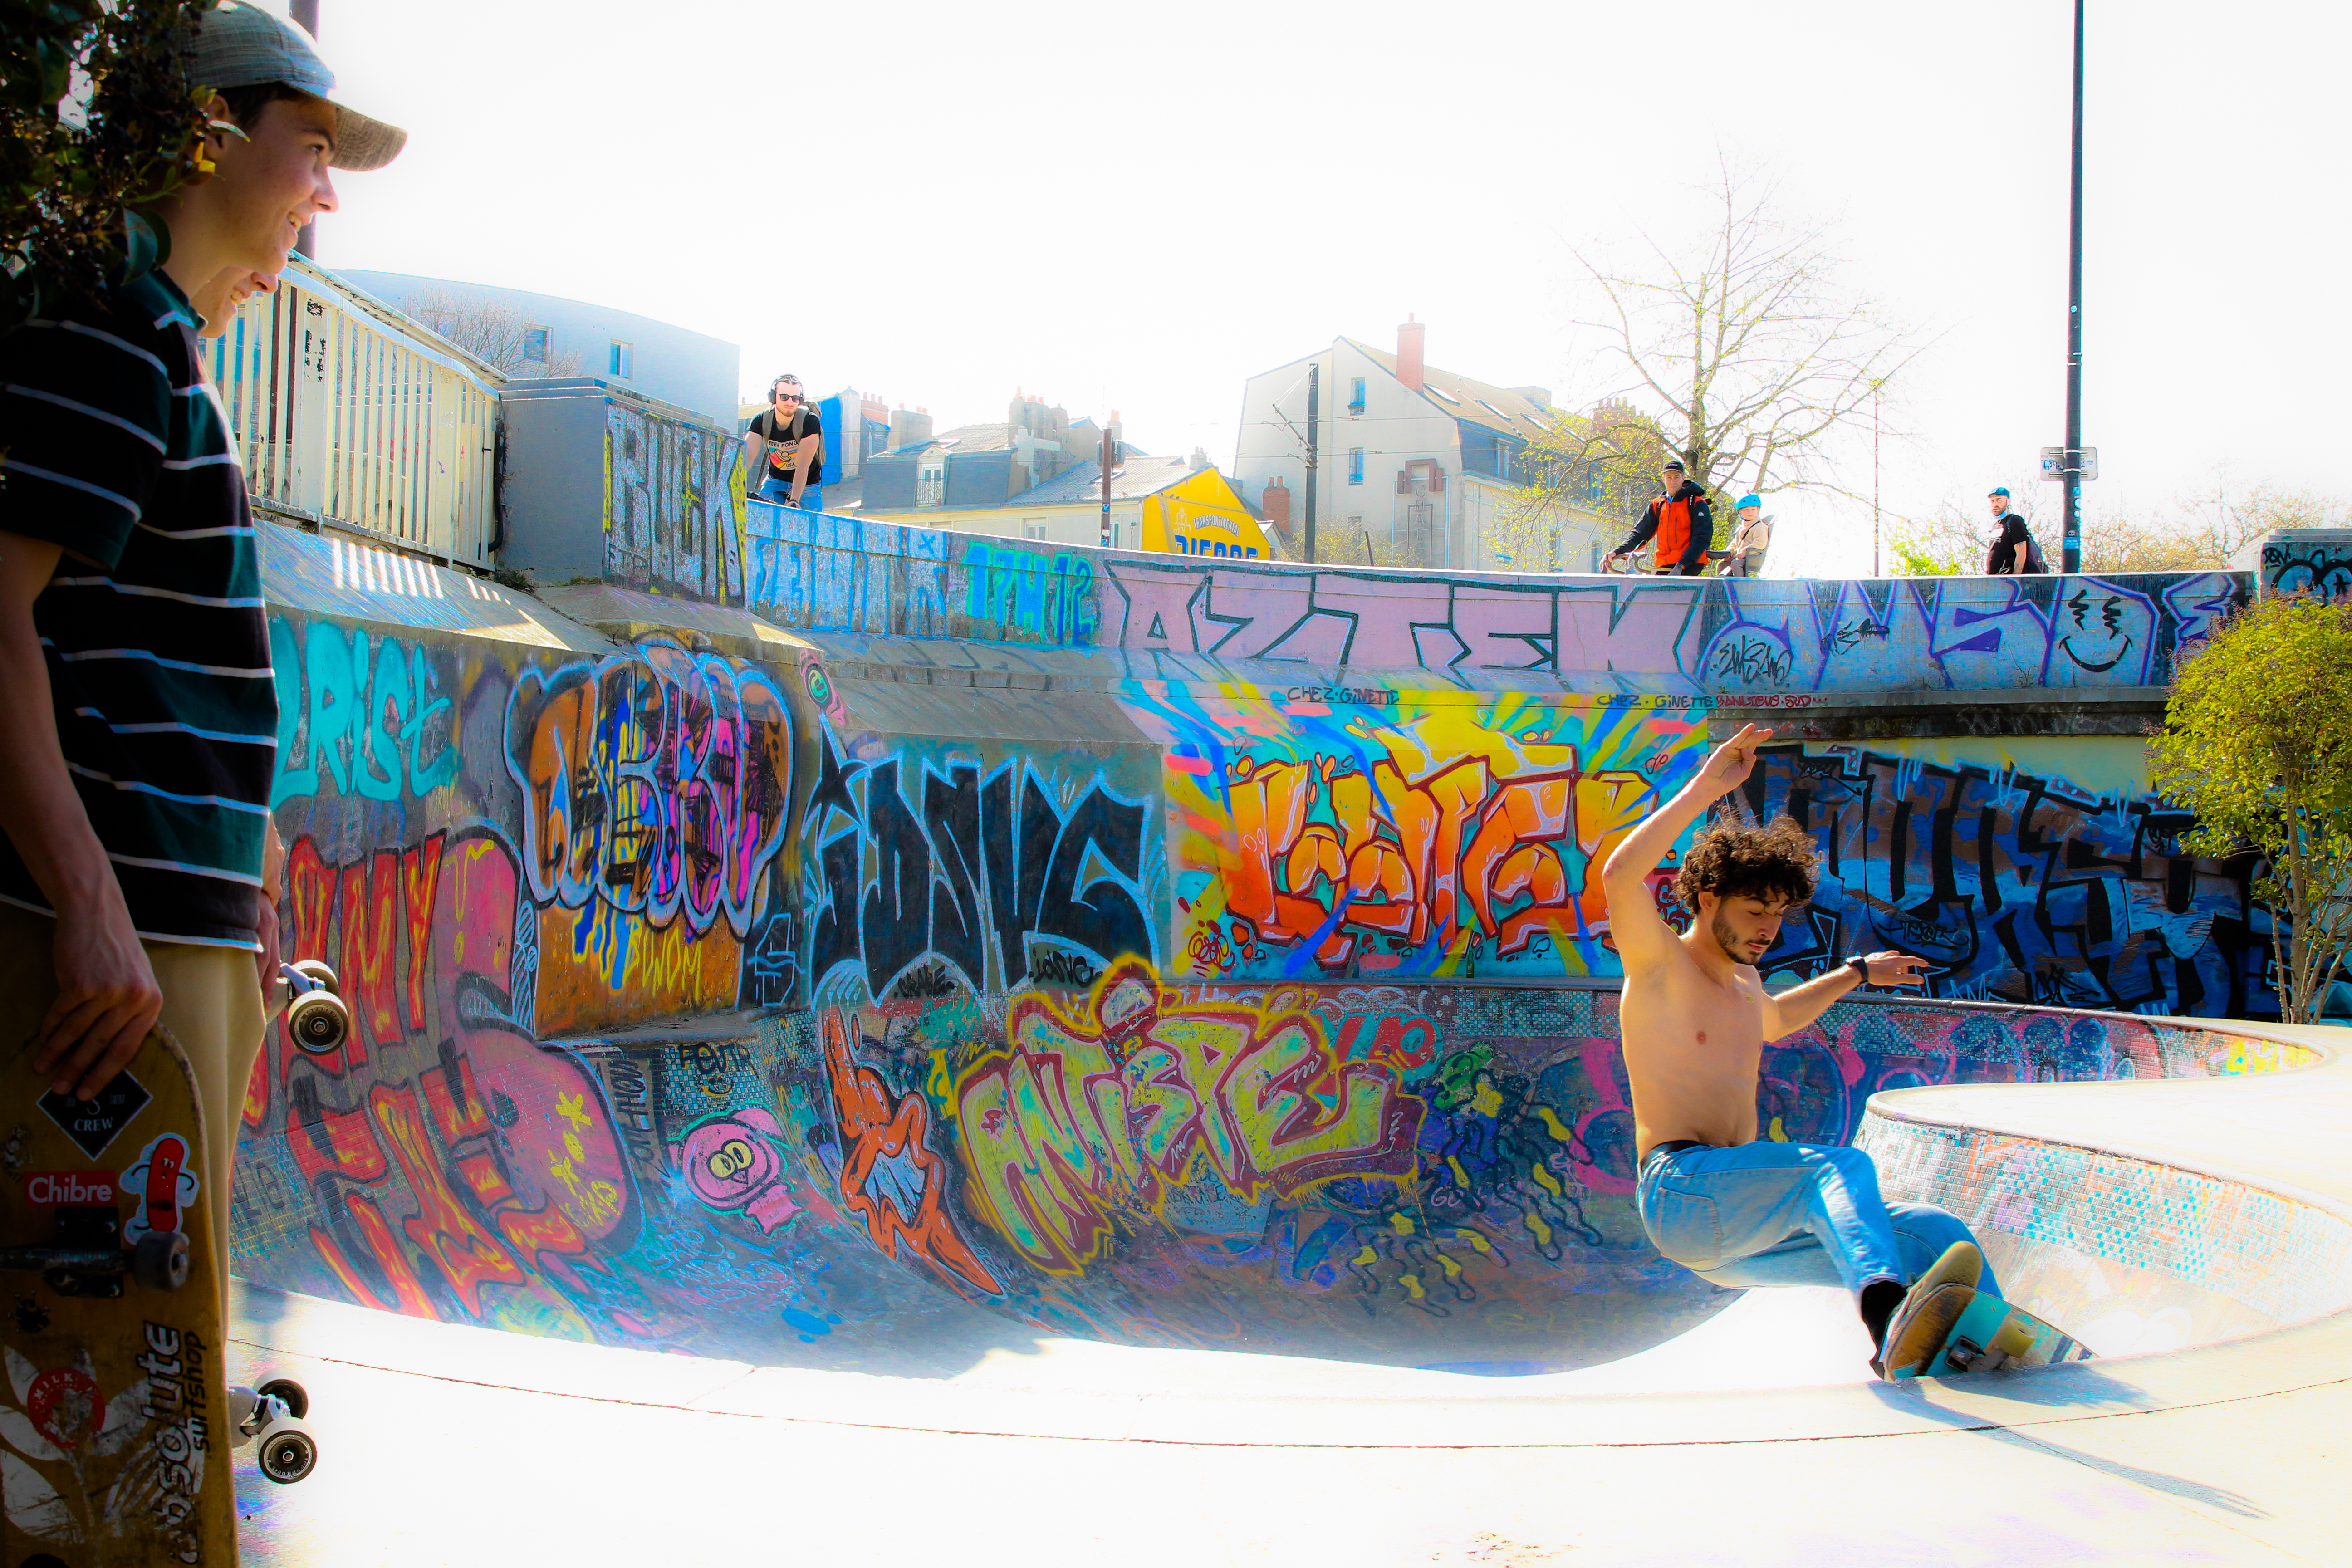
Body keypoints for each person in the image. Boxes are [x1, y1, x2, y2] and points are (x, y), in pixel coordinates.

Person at [0, 0, 403, 1307]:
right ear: (207, 132)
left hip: (162, 933)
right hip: (108, 959)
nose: (327, 195)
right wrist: (92, 902)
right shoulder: (111, 335)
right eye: (312, 146)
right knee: (112, 1394)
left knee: (156, 1368)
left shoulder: (156, 343)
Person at [1600, 723, 2001, 1373]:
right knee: (1837, 1169)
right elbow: (1620, 875)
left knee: (1935, 1233)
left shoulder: (1744, 984)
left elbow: (1778, 1022)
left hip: (1742, 1231)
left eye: (1779, 914)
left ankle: (1987, 1350)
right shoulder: (1661, 967)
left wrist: (1858, 973)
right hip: (1682, 1190)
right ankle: (1886, 1315)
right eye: (1755, 910)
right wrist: (1707, 786)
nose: (1769, 929)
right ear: (1708, 900)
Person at [1603, 459, 1713, 577]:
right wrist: (1616, 552)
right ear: (1664, 479)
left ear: (1683, 478)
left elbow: (1702, 538)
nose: (1673, 481)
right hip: (1665, 563)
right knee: (1653, 593)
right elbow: (1640, 535)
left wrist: (1682, 564)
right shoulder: (1658, 505)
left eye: (1677, 477)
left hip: (1690, 564)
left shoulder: (1696, 503)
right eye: (1669, 477)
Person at [743, 374, 824, 512]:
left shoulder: (809, 421)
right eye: (784, 397)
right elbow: (746, 458)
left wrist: (794, 500)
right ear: (774, 397)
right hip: (776, 479)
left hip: (808, 483)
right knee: (761, 515)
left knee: (813, 528)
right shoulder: (761, 420)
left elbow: (803, 466)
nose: (790, 402)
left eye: (795, 398)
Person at [1984, 486, 2045, 575]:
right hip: (1995, 580)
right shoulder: (1995, 526)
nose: (1995, 504)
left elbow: (2021, 554)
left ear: (2008, 501)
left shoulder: (2014, 521)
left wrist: (2016, 579)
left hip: (2008, 580)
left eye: (1999, 500)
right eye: (1993, 501)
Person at [1717, 494, 1772, 578]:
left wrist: (1744, 552)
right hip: (1739, 556)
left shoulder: (1759, 526)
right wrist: (1729, 552)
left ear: (1758, 511)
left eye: (1753, 509)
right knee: (1722, 564)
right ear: (1740, 513)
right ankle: (1725, 585)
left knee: (1736, 563)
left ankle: (1740, 584)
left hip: (1752, 556)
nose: (1750, 512)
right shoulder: (1741, 528)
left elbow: (1760, 543)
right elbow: (1734, 543)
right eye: (1746, 510)